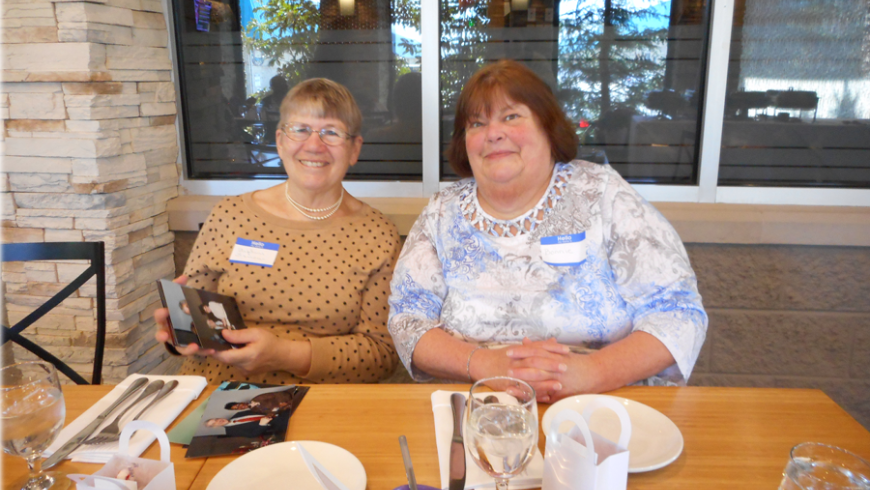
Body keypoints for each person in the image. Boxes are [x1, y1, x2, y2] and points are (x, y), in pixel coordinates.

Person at [387, 60, 707, 402]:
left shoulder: (602, 194)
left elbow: (678, 311)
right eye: (477, 123)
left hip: (604, 405)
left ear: (547, 126)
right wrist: (484, 365)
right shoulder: (442, 213)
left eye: (511, 116)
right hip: (477, 407)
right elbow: (408, 320)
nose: (493, 133)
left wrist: (592, 372)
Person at [155, 78, 402, 385]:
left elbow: (382, 355)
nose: (314, 145)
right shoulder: (230, 215)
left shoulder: (377, 235)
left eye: (332, 133)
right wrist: (180, 332)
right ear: (280, 141)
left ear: (354, 149)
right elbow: (196, 322)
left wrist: (284, 354)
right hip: (215, 390)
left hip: (323, 403)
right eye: (300, 129)